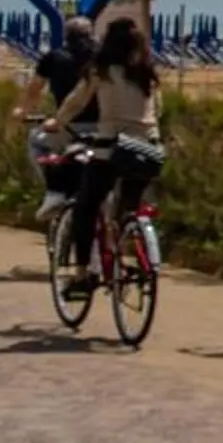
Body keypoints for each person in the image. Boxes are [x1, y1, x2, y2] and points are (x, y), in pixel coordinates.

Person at [42, 15, 165, 296]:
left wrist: (57, 122)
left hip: (113, 149)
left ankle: (82, 274)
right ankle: (129, 251)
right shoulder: (148, 74)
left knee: (86, 205)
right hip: (149, 149)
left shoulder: (101, 71)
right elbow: (158, 109)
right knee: (127, 208)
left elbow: (76, 101)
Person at [16, 17, 97, 217]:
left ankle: (54, 191)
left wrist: (23, 111)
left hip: (70, 127)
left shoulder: (54, 57)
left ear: (66, 36)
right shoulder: (103, 59)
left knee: (37, 141)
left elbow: (35, 88)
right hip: (106, 126)